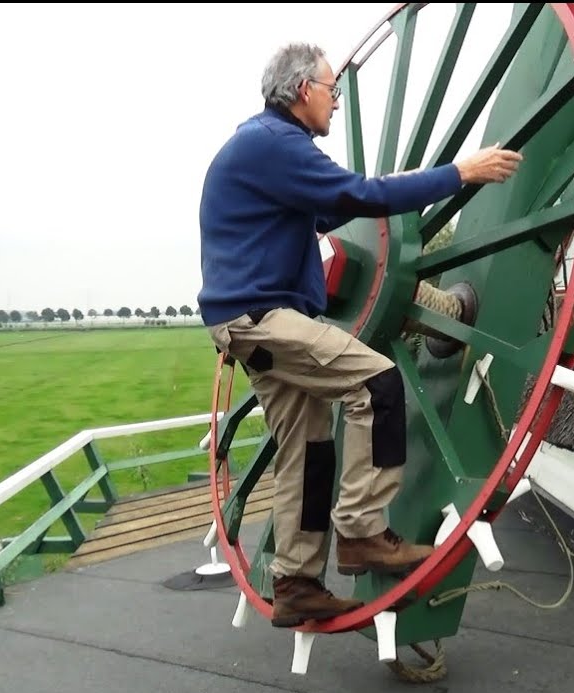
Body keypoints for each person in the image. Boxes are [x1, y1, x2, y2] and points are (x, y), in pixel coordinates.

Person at [196, 41, 523, 629]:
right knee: (377, 382)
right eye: (331, 90)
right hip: (262, 316)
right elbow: (357, 198)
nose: (336, 102)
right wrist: (459, 174)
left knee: (308, 447)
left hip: (248, 322)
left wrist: (385, 185)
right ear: (303, 92)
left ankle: (296, 584)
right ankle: (363, 532)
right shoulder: (277, 145)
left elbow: (336, 209)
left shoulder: (264, 149)